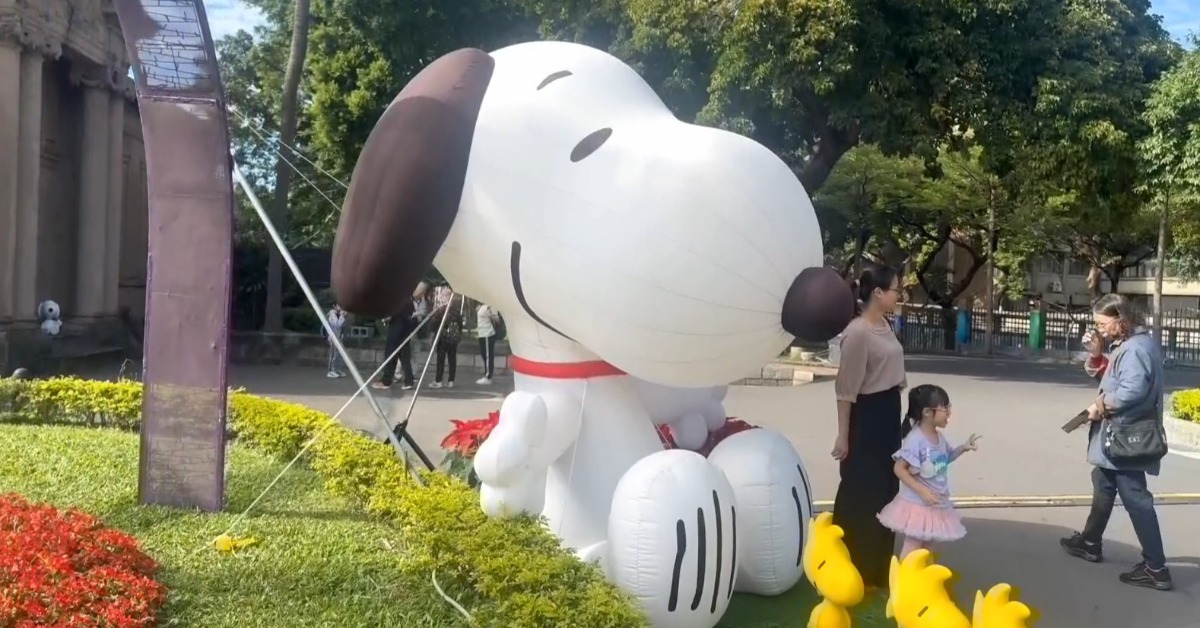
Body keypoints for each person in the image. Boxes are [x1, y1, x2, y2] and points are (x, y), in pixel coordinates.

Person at [1061, 294, 1172, 591]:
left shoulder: (1135, 349)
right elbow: (1111, 377)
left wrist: (1100, 405)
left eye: (1102, 323)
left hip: (1125, 437)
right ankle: (1090, 542)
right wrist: (1097, 353)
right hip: (1118, 436)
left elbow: (1131, 391)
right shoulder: (1130, 344)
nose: (1099, 328)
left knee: (1136, 498)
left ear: (1121, 320)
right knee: (1103, 481)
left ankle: (1156, 568)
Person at [831, 264, 906, 589]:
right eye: (895, 289)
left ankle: (877, 570)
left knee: (887, 491)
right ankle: (850, 567)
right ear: (877, 293)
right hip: (867, 417)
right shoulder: (857, 333)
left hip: (889, 412)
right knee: (863, 493)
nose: (899, 295)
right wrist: (843, 435)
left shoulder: (885, 325)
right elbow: (846, 390)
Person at [877, 384, 980, 559]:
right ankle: (905, 575)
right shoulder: (916, 440)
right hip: (918, 505)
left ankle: (924, 574)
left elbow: (944, 459)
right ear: (927, 412)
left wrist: (963, 448)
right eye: (945, 408)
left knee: (928, 548)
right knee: (913, 545)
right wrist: (922, 491)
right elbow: (899, 468)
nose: (949, 412)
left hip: (935, 503)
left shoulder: (939, 437)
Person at [430, 294, 464, 389]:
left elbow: (434, 324)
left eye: (442, 296)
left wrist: (432, 338)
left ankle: (438, 381)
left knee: (440, 359)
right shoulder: (456, 311)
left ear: (445, 297)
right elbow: (460, 325)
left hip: (442, 338)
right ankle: (451, 381)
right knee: (452, 360)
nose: (440, 298)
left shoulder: (441, 310)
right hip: (453, 339)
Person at [476, 302, 498, 385]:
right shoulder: (482, 306)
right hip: (482, 334)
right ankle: (487, 374)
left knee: (488, 356)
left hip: (487, 334)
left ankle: (488, 376)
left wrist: (491, 315)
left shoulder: (489, 306)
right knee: (484, 355)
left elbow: (496, 319)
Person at [324, 303, 348, 379]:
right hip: (333, 338)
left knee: (339, 355)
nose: (340, 307)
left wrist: (343, 316)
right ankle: (331, 371)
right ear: (334, 306)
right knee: (333, 354)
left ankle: (337, 369)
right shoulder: (332, 314)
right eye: (338, 305)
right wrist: (342, 316)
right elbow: (337, 325)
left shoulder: (338, 314)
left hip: (338, 338)